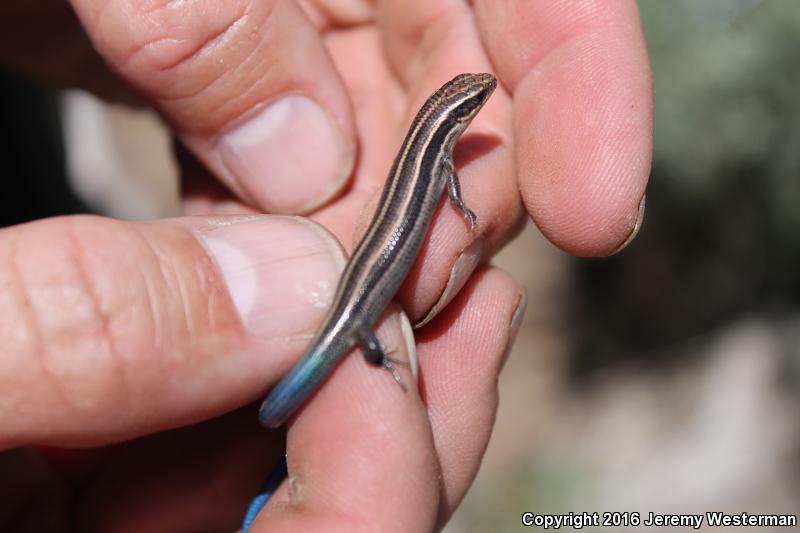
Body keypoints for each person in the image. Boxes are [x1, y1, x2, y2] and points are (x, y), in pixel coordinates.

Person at [0, 0, 652, 530]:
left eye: (473, 100)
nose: (480, 104)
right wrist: (375, 348)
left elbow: (445, 189)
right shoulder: (438, 155)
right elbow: (445, 192)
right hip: (356, 310)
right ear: (454, 120)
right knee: (351, 352)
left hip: (359, 289)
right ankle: (358, 367)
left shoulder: (431, 153)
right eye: (471, 104)